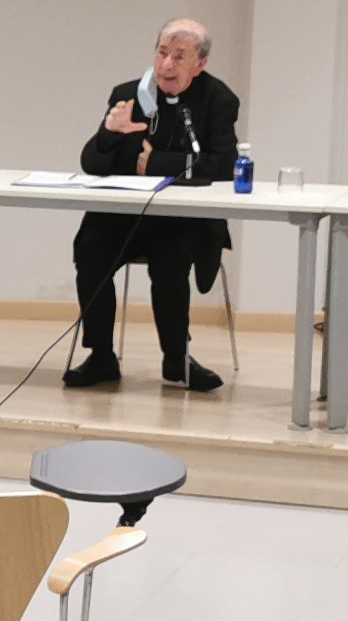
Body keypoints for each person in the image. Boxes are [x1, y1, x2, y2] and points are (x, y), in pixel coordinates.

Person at [61, 20, 237, 393]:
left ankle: (176, 360)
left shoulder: (217, 100)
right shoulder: (128, 95)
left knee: (171, 260)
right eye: (162, 53)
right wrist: (108, 134)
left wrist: (156, 163)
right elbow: (91, 164)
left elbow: (223, 166)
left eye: (179, 57)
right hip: (124, 217)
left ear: (200, 64)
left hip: (181, 220)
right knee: (91, 249)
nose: (166, 66)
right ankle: (101, 357)